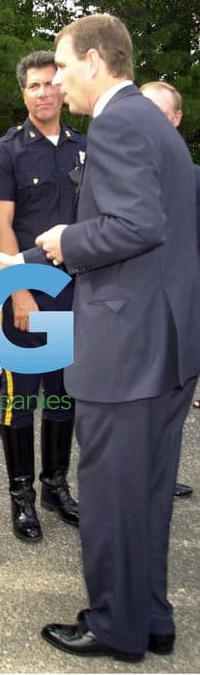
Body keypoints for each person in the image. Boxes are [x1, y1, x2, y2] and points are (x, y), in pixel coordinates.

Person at [28, 14, 199, 661]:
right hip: (166, 345)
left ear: (95, 61)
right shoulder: (154, 123)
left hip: (128, 348)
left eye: (63, 67)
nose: (57, 80)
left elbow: (137, 224)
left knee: (108, 493)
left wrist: (66, 239)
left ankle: (114, 626)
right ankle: (149, 616)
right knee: (146, 493)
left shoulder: (119, 122)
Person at [0, 51, 85, 542]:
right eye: (33, 86)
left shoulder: (86, 149)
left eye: (50, 83)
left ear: (63, 89)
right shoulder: (7, 153)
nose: (43, 93)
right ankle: (21, 497)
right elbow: (1, 227)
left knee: (63, 395)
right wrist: (17, 291)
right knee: (20, 399)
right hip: (27, 295)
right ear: (22, 93)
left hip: (74, 294)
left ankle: (55, 487)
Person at [140, 79, 200, 496]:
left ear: (176, 119)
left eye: (159, 116)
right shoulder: (108, 174)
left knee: (167, 418)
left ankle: (157, 482)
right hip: (129, 325)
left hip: (178, 325)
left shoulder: (195, 182)